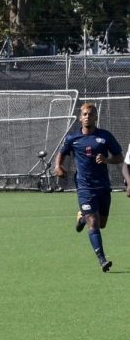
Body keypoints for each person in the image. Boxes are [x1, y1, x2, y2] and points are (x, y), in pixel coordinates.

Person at [54, 102, 124, 272]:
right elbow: (61, 153)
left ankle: (82, 217)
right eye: (84, 114)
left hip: (103, 186)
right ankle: (102, 260)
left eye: (91, 114)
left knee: (102, 223)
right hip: (84, 186)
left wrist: (106, 160)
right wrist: (58, 166)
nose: (87, 117)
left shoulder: (105, 136)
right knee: (94, 221)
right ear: (80, 117)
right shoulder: (73, 138)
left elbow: (119, 157)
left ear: (96, 117)